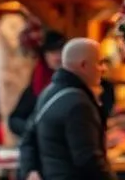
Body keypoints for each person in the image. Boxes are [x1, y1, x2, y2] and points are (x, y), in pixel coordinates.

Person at [18, 38, 115, 180]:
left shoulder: (49, 91)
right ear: (83, 65)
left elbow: (28, 138)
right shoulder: (79, 104)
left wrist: (30, 169)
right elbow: (89, 160)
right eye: (99, 63)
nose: (103, 69)